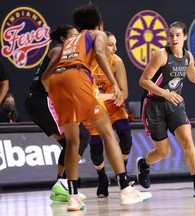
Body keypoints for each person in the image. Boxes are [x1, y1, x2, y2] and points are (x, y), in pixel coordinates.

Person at [41, 4, 151, 211]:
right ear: (99, 23)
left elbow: (47, 75)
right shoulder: (97, 34)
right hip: (77, 76)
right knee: (108, 133)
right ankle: (126, 189)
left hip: (57, 81)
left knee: (72, 142)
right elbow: (100, 54)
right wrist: (115, 84)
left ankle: (73, 197)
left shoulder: (69, 40)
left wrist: (52, 90)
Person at [137, 21, 195, 197]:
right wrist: (165, 93)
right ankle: (145, 164)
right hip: (154, 105)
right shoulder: (162, 55)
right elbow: (143, 81)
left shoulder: (188, 57)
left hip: (175, 104)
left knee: (187, 141)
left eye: (178, 35)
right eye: (171, 35)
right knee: (164, 152)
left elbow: (193, 76)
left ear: (185, 36)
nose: (174, 38)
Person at [25, 24, 89, 202]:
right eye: (73, 35)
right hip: (42, 100)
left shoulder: (64, 52)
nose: (77, 39)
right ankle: (63, 183)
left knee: (69, 144)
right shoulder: (60, 50)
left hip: (35, 103)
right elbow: (46, 78)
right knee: (81, 136)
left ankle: (59, 186)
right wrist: (58, 99)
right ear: (63, 38)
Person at [85, 31, 133, 198]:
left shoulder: (116, 61)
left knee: (126, 138)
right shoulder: (88, 62)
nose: (115, 48)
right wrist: (104, 96)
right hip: (94, 109)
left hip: (114, 107)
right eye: (110, 44)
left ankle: (123, 172)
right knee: (96, 150)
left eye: (115, 44)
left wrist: (105, 96)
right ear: (100, 45)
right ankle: (102, 178)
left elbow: (124, 93)